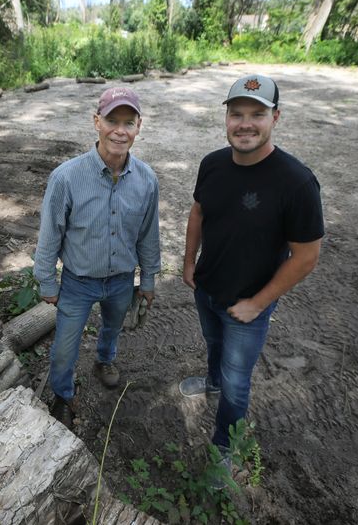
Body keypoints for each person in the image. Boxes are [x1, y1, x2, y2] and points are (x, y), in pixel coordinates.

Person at [180, 74, 324, 454]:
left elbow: (307, 256)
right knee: (213, 344)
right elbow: (198, 212)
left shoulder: (297, 183)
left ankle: (223, 450)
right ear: (226, 118)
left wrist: (258, 304)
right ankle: (210, 382)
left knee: (237, 380)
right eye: (236, 113)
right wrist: (189, 263)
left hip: (248, 304)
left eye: (257, 114)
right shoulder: (211, 164)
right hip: (207, 287)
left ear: (276, 117)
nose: (245, 123)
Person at [34, 86, 160, 429]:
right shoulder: (66, 177)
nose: (120, 130)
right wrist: (46, 279)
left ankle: (105, 360)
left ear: (138, 126)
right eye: (112, 120)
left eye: (128, 122)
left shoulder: (147, 180)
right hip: (78, 282)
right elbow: (50, 233)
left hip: (121, 280)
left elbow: (149, 234)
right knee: (63, 348)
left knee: (112, 326)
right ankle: (62, 391)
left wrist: (147, 278)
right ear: (96, 122)